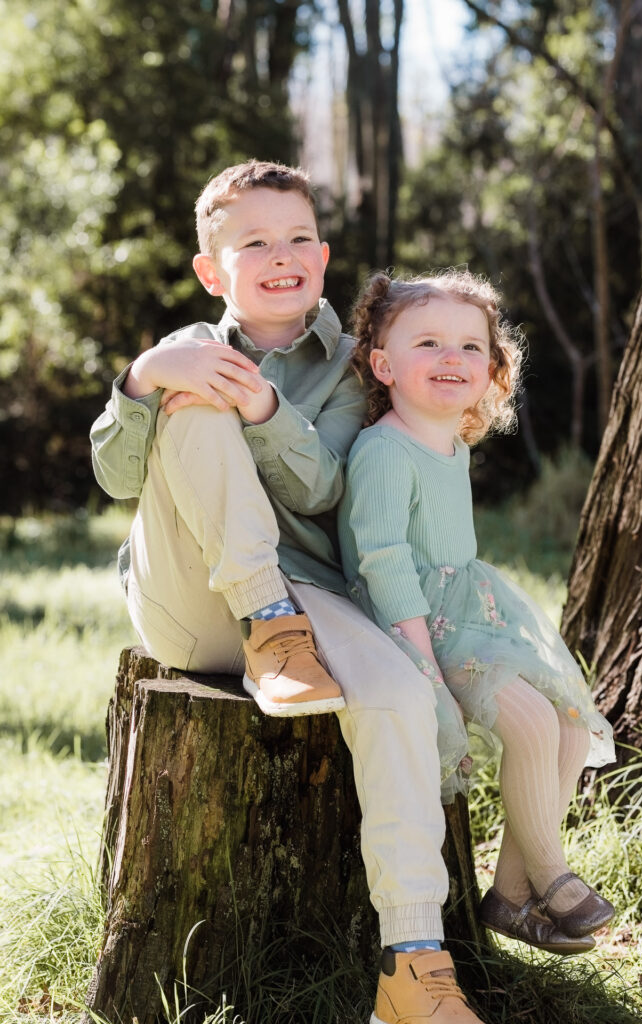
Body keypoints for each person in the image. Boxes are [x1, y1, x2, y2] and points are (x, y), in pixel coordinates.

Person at [91, 160, 486, 1024]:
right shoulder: (188, 349)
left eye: (299, 237)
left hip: (312, 598)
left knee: (391, 694)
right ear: (211, 269)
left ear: (324, 252)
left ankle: (413, 966)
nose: (282, 255)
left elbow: (326, 492)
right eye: (254, 241)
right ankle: (265, 621)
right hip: (196, 607)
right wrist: (145, 378)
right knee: (197, 396)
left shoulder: (355, 366)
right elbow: (118, 477)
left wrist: (268, 407)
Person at [337, 269, 617, 965]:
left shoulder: (451, 445)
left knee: (569, 731)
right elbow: (382, 559)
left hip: (472, 616)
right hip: (410, 628)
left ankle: (509, 892)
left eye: (469, 346)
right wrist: (422, 662)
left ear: (491, 367)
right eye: (428, 342)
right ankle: (548, 877)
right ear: (383, 364)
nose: (451, 357)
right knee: (526, 725)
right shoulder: (382, 449)